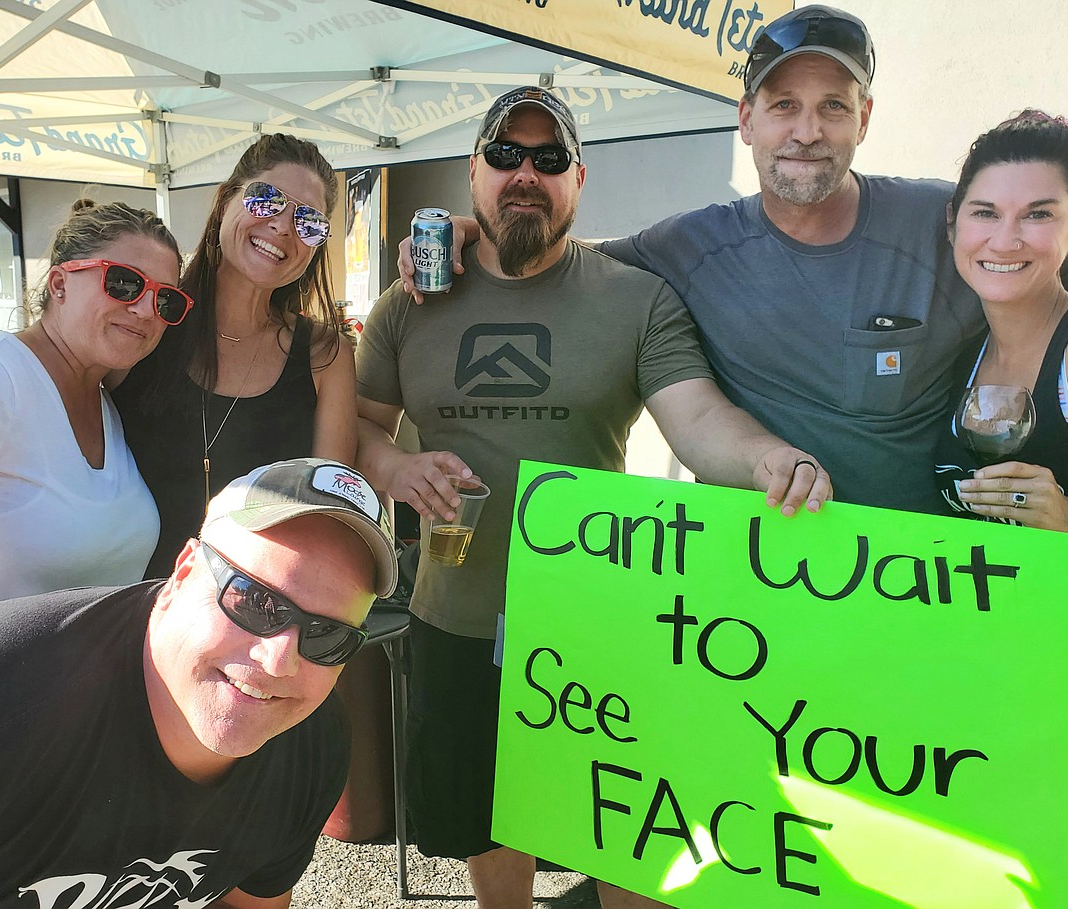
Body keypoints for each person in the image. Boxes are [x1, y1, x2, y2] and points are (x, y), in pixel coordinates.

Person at [357, 85, 833, 909]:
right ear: (473, 174)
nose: (525, 174)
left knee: (616, 825)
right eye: (505, 156)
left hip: (594, 621)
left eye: (548, 160)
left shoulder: (632, 296)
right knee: (488, 823)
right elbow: (361, 424)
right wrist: (396, 471)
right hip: (454, 616)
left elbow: (696, 417)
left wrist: (768, 460)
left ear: (579, 179)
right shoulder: (412, 300)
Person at [397, 4, 1068, 515]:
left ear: (864, 118)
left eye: (833, 107)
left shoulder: (949, 220)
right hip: (757, 597)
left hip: (914, 595)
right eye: (783, 105)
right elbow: (564, 263)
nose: (808, 131)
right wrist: (476, 230)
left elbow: (1065, 264)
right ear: (746, 120)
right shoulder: (687, 246)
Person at [0, 457, 399, 908]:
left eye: (327, 636)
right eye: (257, 602)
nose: (279, 662)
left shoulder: (312, 745)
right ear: (183, 573)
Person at [929, 112, 1068, 909]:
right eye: (986, 211)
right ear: (955, 221)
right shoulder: (968, 340)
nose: (1007, 236)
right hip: (1001, 679)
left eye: (1039, 213)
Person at [112, 133, 357, 579]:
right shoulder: (146, 320)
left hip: (251, 626)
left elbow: (327, 521)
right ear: (225, 200)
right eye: (267, 200)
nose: (283, 226)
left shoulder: (326, 355)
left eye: (309, 222)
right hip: (130, 613)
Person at [0, 199, 187, 621]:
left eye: (166, 301)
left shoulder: (102, 398)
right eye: (124, 283)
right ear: (59, 285)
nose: (146, 310)